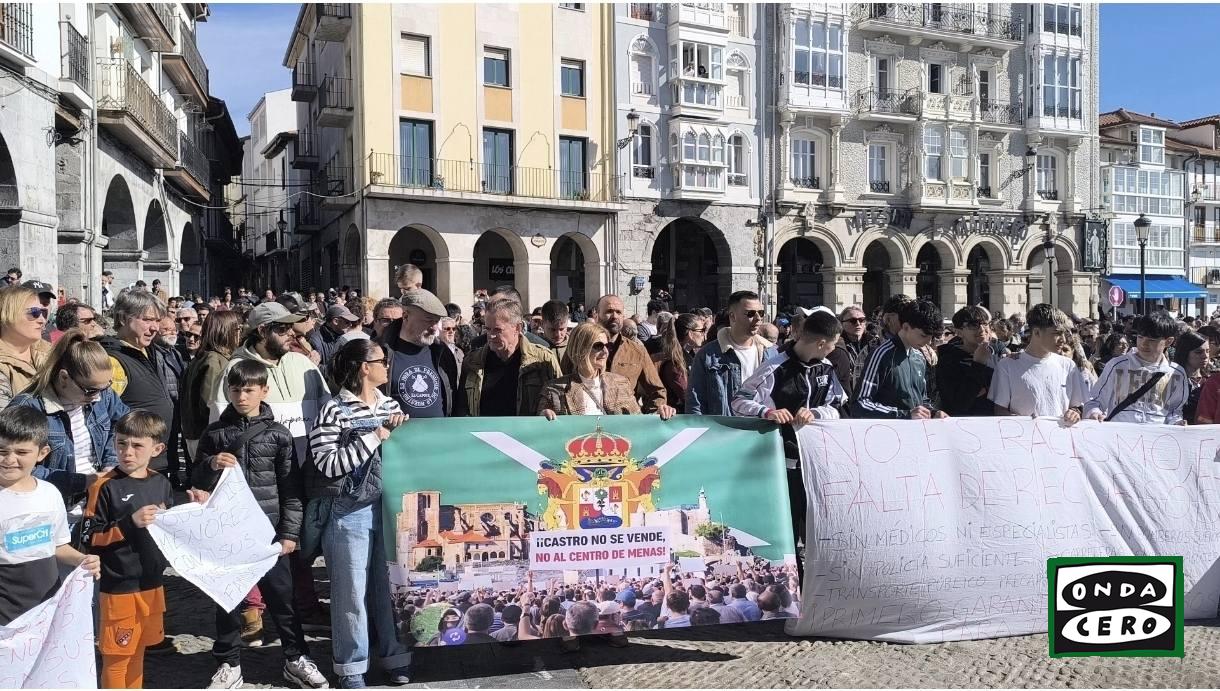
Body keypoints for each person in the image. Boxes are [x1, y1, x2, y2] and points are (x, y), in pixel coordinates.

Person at [193, 360, 327, 690]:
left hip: (268, 533)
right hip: (228, 532)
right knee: (227, 603)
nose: (242, 396)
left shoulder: (278, 435)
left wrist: (289, 534)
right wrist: (211, 464)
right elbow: (196, 480)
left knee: (283, 602)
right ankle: (228, 664)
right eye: (236, 390)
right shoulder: (215, 434)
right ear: (228, 391)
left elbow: (291, 489)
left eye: (249, 390)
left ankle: (296, 658)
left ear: (264, 391)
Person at [308, 340, 413, 688]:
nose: (388, 366)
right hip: (348, 511)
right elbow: (327, 464)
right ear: (365, 368)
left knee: (390, 588)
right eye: (382, 361)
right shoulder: (332, 410)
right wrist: (376, 437)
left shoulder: (391, 405)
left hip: (389, 509)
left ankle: (395, 656)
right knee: (350, 593)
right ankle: (351, 669)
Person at [85, 411, 206, 689]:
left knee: (139, 649)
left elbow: (170, 530)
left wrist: (193, 510)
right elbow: (90, 538)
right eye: (121, 443)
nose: (127, 452)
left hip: (152, 583)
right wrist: (130, 523)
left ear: (157, 449)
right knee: (117, 657)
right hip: (118, 587)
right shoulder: (104, 486)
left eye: (137, 445)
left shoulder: (161, 483)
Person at [731, 309, 845, 579]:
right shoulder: (775, 366)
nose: (834, 350)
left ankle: (822, 585)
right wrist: (767, 412)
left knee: (819, 529)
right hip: (783, 462)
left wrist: (816, 413)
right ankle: (793, 584)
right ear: (821, 343)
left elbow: (838, 406)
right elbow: (738, 401)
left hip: (817, 463)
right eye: (833, 344)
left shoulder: (826, 368)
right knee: (788, 528)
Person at [0, 406, 100, 627]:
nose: (9, 459)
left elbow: (57, 546)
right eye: (2, 451)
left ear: (42, 453)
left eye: (21, 452)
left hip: (47, 608)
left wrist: (81, 559)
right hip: (5, 616)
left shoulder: (50, 493)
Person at [11, 331, 130, 515]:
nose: (97, 397)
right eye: (90, 391)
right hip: (54, 509)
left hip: (98, 504)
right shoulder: (27, 409)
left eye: (106, 387)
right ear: (64, 377)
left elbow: (123, 424)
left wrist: (111, 463)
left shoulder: (101, 393)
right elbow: (15, 466)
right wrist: (82, 481)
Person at [100, 291, 175, 475]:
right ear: (123, 319)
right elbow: (104, 417)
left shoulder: (150, 351)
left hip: (158, 463)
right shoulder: (112, 361)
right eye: (147, 320)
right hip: (132, 468)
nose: (155, 327)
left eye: (157, 320)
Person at [539, 323, 674, 419]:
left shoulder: (621, 383)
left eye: (607, 346)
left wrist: (659, 414)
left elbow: (637, 422)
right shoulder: (553, 390)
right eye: (598, 346)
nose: (605, 352)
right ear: (580, 349)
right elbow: (542, 434)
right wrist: (543, 418)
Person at [457, 299, 561, 416]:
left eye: (498, 330)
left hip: (527, 428)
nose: (491, 335)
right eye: (488, 329)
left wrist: (547, 411)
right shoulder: (472, 361)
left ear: (518, 328)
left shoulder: (543, 360)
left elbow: (560, 403)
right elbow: (461, 409)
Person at [1085, 311, 1188, 425]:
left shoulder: (1176, 373)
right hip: (1120, 433)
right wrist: (1094, 413)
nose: (1144, 344)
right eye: (1140, 337)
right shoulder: (1117, 365)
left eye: (1151, 340)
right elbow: (1095, 401)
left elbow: (1174, 410)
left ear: (1168, 341)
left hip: (1156, 435)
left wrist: (1177, 422)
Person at [989, 304, 1085, 424]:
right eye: (1056, 333)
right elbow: (999, 410)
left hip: (1061, 434)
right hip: (1024, 435)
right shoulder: (1007, 365)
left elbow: (1078, 406)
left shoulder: (1068, 366)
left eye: (1064, 334)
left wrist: (1074, 413)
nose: (1063, 340)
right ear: (1037, 332)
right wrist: (1022, 423)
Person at [853, 300, 946, 420]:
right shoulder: (881, 354)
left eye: (931, 337)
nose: (928, 342)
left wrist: (933, 413)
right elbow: (860, 404)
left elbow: (922, 401)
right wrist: (904, 415)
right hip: (886, 430)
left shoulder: (919, 357)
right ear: (906, 327)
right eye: (923, 335)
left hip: (916, 430)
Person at [688, 290, 777, 416]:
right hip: (724, 426)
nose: (758, 319)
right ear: (733, 316)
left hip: (763, 426)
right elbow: (696, 404)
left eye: (761, 313)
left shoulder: (771, 353)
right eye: (750, 313)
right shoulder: (707, 355)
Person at [378, 289, 460, 418]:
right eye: (428, 320)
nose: (434, 328)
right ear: (405, 316)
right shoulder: (380, 352)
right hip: (396, 431)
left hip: (440, 429)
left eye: (436, 321)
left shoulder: (442, 352)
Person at [181, 311, 242, 463]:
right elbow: (211, 404)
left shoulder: (206, 356)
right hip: (208, 437)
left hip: (199, 434)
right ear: (226, 331)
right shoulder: (214, 360)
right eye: (237, 329)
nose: (240, 333)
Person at [935, 306, 996, 417]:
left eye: (985, 324)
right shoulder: (948, 361)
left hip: (995, 422)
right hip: (962, 423)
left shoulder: (996, 356)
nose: (982, 329)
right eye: (973, 325)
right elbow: (959, 404)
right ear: (959, 332)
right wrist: (978, 364)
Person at [0, 285, 53, 407]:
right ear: (6, 314)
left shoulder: (51, 352)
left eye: (43, 312)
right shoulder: (3, 366)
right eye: (34, 313)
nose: (42, 320)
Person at [651, 313, 705, 413]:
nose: (704, 334)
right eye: (701, 330)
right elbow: (687, 396)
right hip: (680, 416)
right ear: (690, 334)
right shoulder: (675, 363)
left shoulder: (691, 356)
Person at [539, 299, 572, 366]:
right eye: (552, 330)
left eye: (562, 329)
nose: (558, 335)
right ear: (542, 324)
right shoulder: (534, 349)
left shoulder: (575, 347)